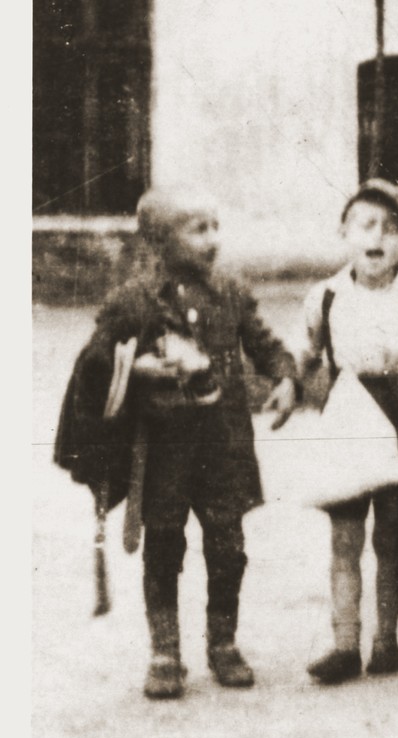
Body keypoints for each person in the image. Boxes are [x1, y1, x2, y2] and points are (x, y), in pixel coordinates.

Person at [58, 186, 298, 698]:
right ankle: (165, 653)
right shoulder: (134, 299)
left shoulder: (230, 292)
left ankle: (224, 644)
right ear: (160, 242)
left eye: (215, 226)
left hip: (224, 447)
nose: (212, 239)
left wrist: (285, 379)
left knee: (229, 547)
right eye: (197, 229)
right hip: (163, 453)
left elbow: (264, 343)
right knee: (164, 548)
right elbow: (97, 357)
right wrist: (138, 366)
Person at [296, 182, 398, 684]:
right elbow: (305, 354)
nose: (377, 236)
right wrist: (288, 386)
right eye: (366, 224)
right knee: (344, 538)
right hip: (347, 420)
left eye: (391, 228)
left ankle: (386, 640)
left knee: (393, 539)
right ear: (345, 231)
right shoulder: (326, 295)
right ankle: (343, 643)